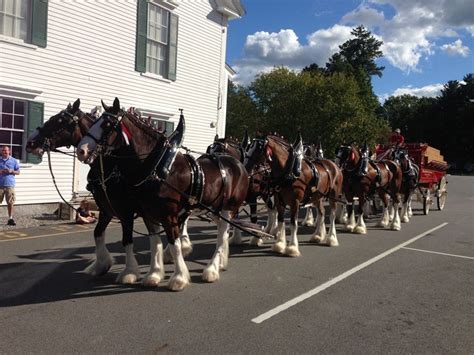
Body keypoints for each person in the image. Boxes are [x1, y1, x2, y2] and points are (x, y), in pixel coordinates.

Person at [0, 146, 20, 226]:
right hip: (0, 185)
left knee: (10, 203)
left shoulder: (14, 161)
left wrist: (12, 171)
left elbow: (18, 172)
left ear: (9, 151)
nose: (4, 152)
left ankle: (10, 219)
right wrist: (1, 171)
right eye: (3, 150)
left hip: (10, 185)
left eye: (6, 150)